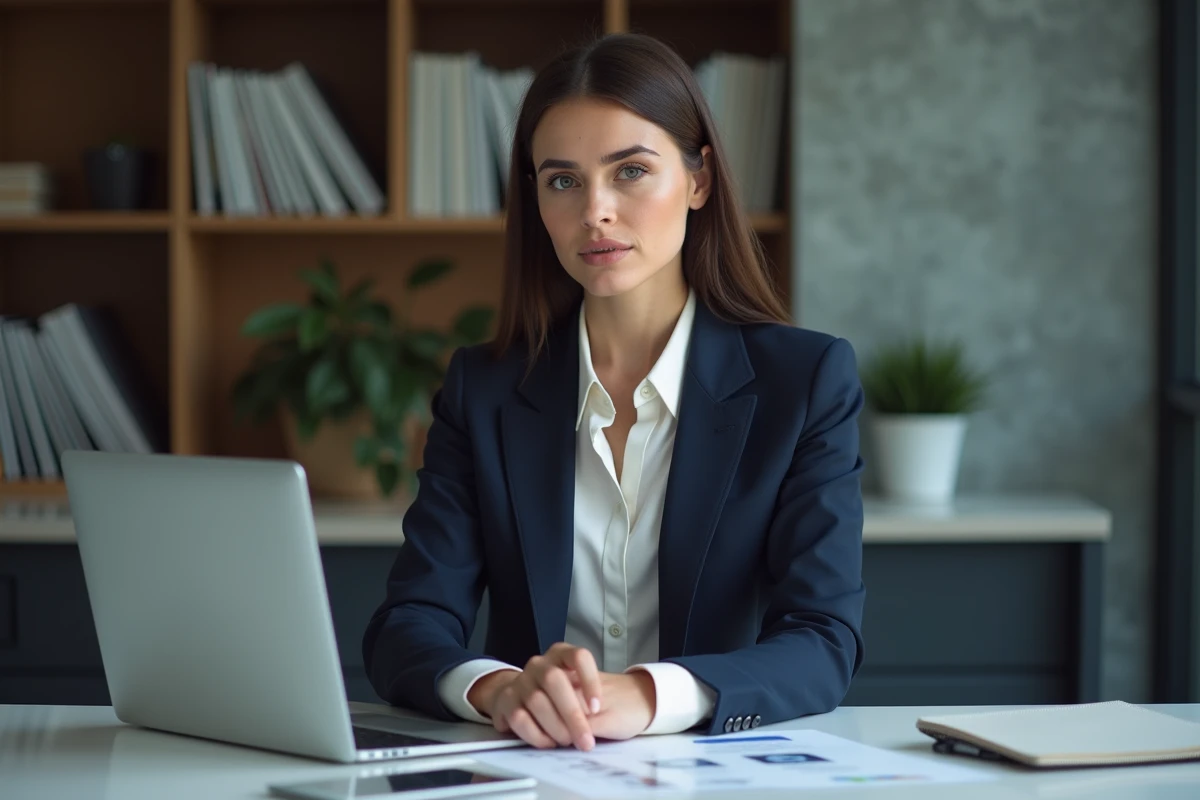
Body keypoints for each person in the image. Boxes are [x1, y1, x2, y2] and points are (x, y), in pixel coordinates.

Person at [362, 32, 865, 752]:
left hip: (714, 770)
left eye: (630, 171)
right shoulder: (486, 387)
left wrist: (645, 695)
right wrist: (501, 688)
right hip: (530, 769)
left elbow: (823, 640)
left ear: (699, 180)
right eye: (562, 181)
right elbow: (406, 625)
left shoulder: (805, 381)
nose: (594, 211)